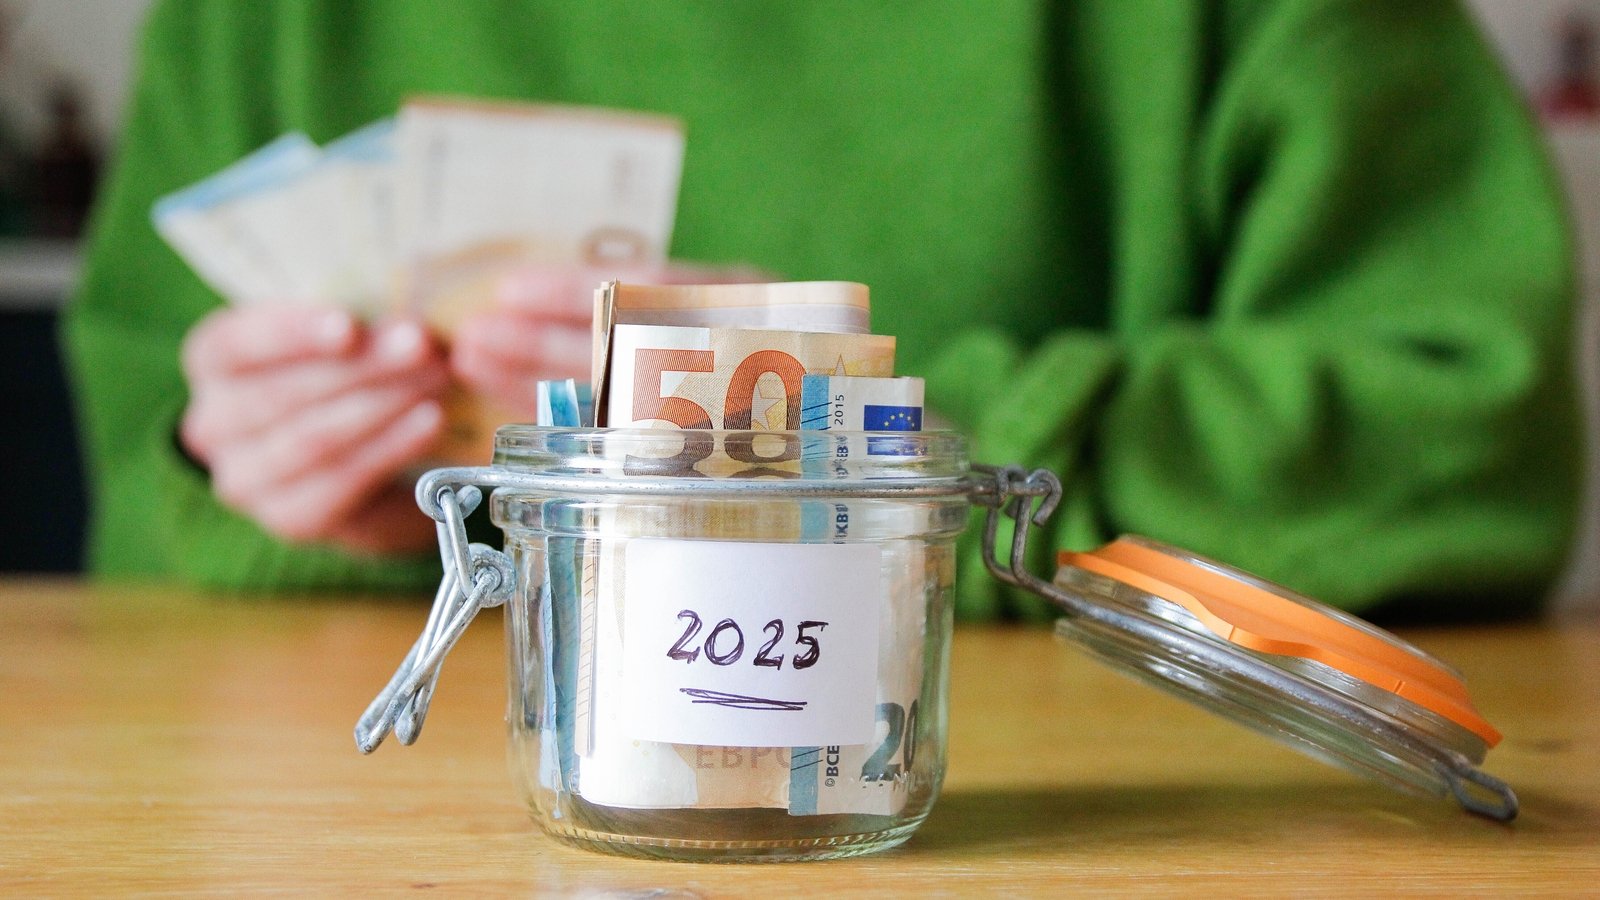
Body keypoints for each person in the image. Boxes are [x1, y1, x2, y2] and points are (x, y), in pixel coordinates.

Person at [63, 0, 1582, 620]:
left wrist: (866, 453)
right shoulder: (254, 22)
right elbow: (137, 497)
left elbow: (1462, 436)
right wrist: (260, 474)